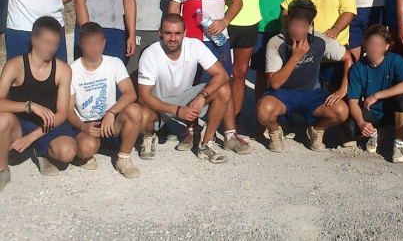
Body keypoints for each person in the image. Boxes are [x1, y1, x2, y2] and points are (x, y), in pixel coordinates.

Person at [167, 0, 250, 154]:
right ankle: (190, 132)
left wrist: (224, 21)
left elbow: (237, 2)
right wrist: (175, 36)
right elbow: (173, 9)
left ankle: (230, 134)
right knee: (190, 86)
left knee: (224, 83)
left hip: (217, 41)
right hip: (190, 41)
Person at [257, 0, 353, 152]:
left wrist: (344, 88)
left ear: (310, 25)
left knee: (342, 111)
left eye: (302, 26)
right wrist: (295, 57)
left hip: (312, 94)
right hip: (283, 94)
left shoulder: (320, 40)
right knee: (263, 110)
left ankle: (317, 129)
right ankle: (275, 131)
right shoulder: (276, 42)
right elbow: (274, 83)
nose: (297, 30)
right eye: (294, 25)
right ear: (288, 22)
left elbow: (348, 58)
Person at [137, 14, 234, 163]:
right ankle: (149, 136)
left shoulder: (194, 45)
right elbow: (144, 96)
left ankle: (206, 143)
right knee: (141, 115)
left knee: (223, 89)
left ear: (185, 33)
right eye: (168, 33)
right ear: (160, 33)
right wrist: (177, 110)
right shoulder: (150, 54)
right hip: (158, 104)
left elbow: (222, 75)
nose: (173, 38)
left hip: (185, 97)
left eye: (177, 33)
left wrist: (202, 96)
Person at [67, 22, 153, 179]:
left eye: (97, 43)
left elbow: (130, 93)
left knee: (134, 110)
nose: (93, 48)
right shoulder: (72, 70)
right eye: (88, 44)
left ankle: (123, 158)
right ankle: (87, 151)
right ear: (80, 45)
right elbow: (68, 109)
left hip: (110, 120)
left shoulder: (113, 63)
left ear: (104, 43)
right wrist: (82, 127)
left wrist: (111, 112)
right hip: (87, 124)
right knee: (86, 148)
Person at [0, 17, 77, 190]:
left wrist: (30, 138)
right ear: (34, 39)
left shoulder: (63, 69)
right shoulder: (15, 65)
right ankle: (2, 168)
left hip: (49, 123)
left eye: (55, 43)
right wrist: (29, 105)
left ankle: (41, 151)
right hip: (20, 122)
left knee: (67, 152)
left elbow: (62, 113)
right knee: (2, 119)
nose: (51, 48)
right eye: (46, 42)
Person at [344, 25, 403, 163]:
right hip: (373, 112)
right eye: (371, 44)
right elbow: (353, 101)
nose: (375, 49)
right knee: (350, 129)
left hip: (393, 110)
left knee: (402, 97)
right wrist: (362, 122)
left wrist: (377, 95)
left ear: (387, 47)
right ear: (365, 43)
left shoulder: (395, 60)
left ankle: (399, 144)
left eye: (379, 45)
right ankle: (377, 132)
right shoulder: (357, 68)